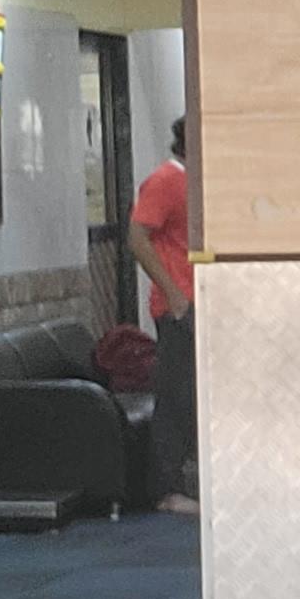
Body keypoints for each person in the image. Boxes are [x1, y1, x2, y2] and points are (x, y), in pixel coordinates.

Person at [127, 113, 197, 517]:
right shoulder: (166, 180)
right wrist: (174, 295)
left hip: (198, 299)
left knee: (192, 394)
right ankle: (167, 489)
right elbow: (137, 238)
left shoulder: (193, 182)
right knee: (176, 395)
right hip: (178, 306)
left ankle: (186, 479)